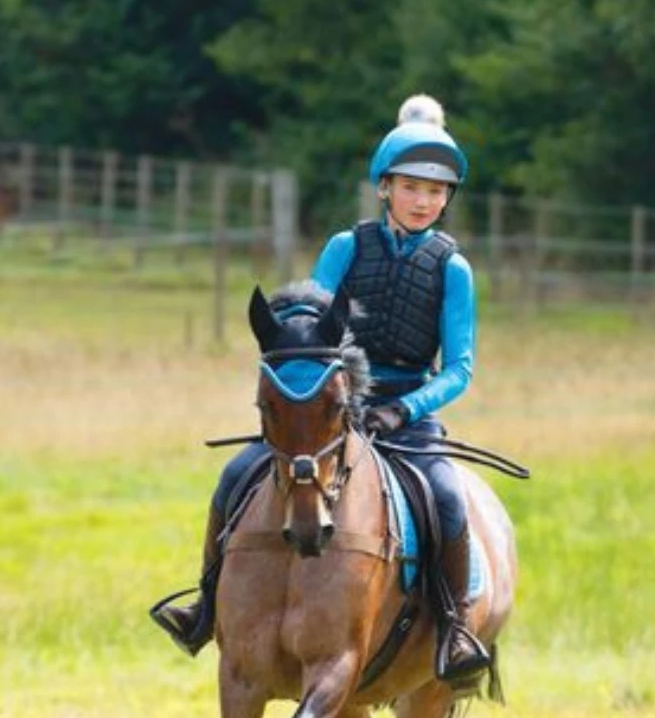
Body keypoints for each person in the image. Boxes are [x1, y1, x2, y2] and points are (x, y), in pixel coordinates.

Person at [152, 94, 489, 687]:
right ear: (384, 188)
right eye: (411, 187)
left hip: (406, 413)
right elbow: (309, 317)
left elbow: (459, 369)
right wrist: (315, 383)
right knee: (236, 476)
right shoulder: (345, 247)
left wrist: (403, 407)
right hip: (328, 411)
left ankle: (456, 629)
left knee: (446, 497)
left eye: (436, 192)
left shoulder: (452, 270)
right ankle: (205, 607)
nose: (423, 201)